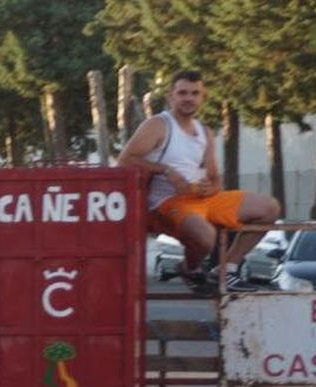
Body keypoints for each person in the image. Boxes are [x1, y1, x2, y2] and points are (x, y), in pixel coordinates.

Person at [118, 69, 281, 294]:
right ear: (171, 96)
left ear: (203, 97)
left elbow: (214, 178)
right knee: (206, 237)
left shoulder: (204, 132)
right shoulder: (158, 124)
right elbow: (126, 160)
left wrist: (209, 188)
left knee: (270, 207)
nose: (189, 98)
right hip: (167, 201)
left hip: (201, 198)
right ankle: (190, 268)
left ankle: (226, 269)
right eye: (182, 93)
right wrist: (166, 170)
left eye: (195, 93)